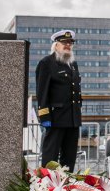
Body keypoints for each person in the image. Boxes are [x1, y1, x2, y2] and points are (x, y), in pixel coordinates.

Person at [35, 30, 82, 170]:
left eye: (70, 43)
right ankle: (47, 186)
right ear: (56, 45)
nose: (68, 45)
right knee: (50, 157)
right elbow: (41, 93)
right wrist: (44, 117)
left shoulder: (73, 64)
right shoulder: (46, 63)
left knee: (69, 158)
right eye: (64, 43)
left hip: (72, 118)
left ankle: (67, 187)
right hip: (55, 118)